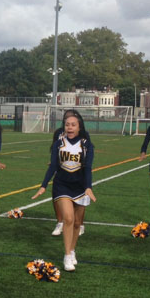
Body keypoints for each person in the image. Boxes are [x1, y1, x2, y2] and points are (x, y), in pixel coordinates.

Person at [32, 111, 95, 272]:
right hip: (62, 185)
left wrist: (88, 187)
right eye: (67, 124)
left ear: (79, 127)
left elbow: (87, 168)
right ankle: (67, 255)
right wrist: (43, 185)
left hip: (80, 186)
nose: (70, 127)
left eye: (73, 124)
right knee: (68, 218)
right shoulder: (58, 144)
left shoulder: (87, 145)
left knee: (77, 223)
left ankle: (72, 250)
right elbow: (53, 166)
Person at [50, 109, 88, 236]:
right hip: (61, 170)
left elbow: (85, 151)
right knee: (56, 195)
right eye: (67, 119)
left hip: (78, 171)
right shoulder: (58, 133)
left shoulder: (83, 135)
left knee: (79, 199)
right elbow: (55, 149)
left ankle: (80, 224)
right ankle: (59, 222)